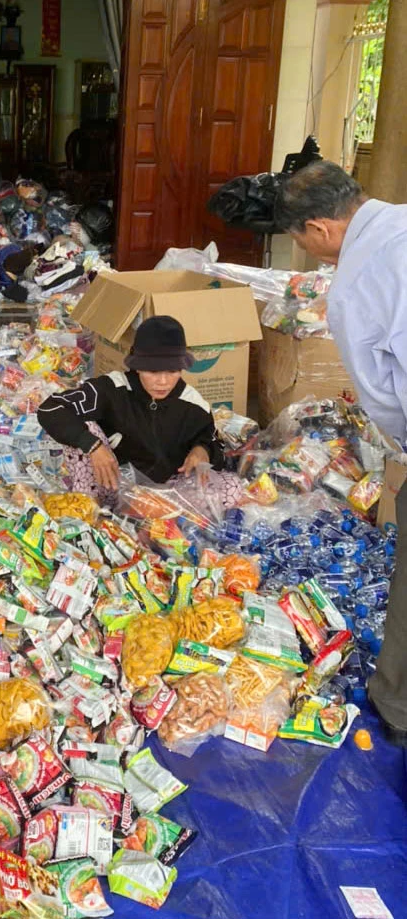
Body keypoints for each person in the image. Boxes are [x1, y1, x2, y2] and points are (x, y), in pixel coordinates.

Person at [275, 160, 407, 746]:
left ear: (321, 228)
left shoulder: (356, 280)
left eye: (303, 241)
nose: (310, 254)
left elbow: (383, 392)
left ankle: (398, 712)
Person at [37, 315, 239, 506]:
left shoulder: (193, 404)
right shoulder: (112, 388)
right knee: (83, 428)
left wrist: (202, 451)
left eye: (172, 371)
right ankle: (90, 510)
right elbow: (51, 408)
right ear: (138, 366)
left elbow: (213, 441)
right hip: (112, 486)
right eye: (153, 371)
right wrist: (94, 446)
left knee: (233, 488)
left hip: (167, 496)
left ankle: (153, 524)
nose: (163, 381)